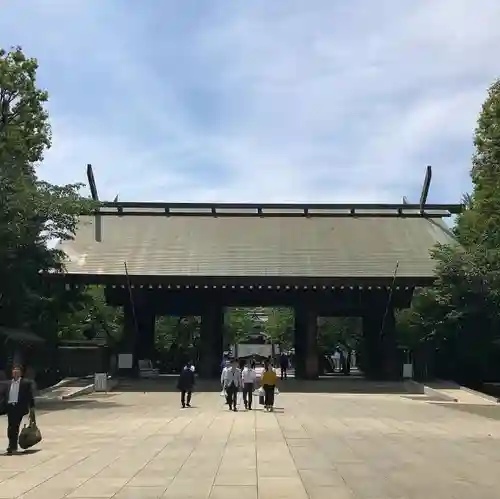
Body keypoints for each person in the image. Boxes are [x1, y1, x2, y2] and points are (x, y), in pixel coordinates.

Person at [0, 365, 35, 454]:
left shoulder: (25, 384)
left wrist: (32, 408)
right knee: (10, 427)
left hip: (19, 408)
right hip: (9, 407)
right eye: (14, 372)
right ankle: (11, 445)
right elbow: (3, 396)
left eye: (17, 372)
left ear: (21, 374)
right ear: (12, 373)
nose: (15, 373)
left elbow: (30, 396)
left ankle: (13, 447)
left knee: (14, 427)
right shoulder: (7, 384)